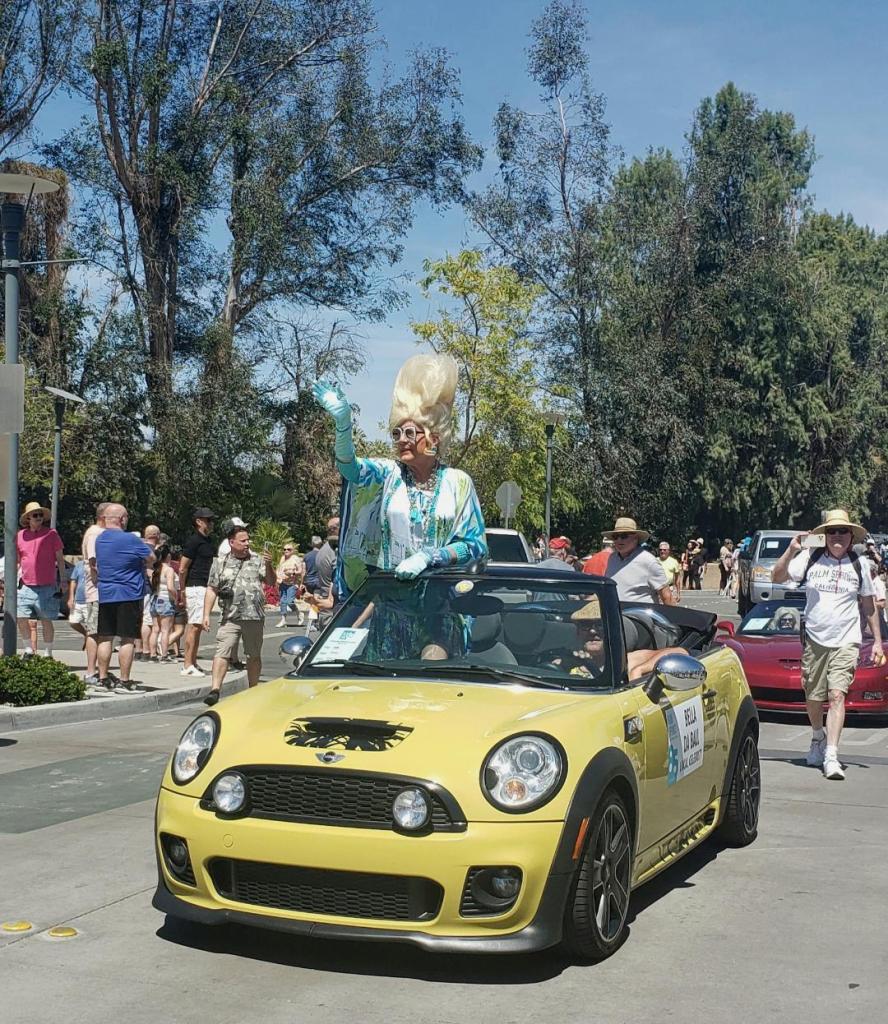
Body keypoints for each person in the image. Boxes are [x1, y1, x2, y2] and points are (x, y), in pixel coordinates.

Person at [312, 353, 487, 592]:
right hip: (390, 600)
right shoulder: (388, 474)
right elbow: (349, 468)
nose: (401, 440)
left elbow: (475, 546)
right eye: (397, 433)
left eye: (410, 433)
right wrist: (343, 425)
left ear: (433, 439)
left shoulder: (458, 482)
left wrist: (431, 557)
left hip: (441, 600)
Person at [772, 509, 884, 780]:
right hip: (815, 639)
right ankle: (817, 737)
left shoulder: (859, 564)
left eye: (843, 531)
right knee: (813, 696)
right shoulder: (810, 557)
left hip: (847, 640)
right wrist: (791, 549)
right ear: (824, 535)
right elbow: (777, 577)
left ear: (851, 536)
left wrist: (878, 642)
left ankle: (831, 755)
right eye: (832, 531)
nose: (837, 536)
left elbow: (868, 604)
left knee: (836, 695)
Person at [202, 523, 276, 706]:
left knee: (253, 654)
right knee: (222, 651)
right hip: (230, 615)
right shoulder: (220, 562)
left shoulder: (257, 559)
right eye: (242, 541)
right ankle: (215, 689)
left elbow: (270, 581)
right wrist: (206, 614)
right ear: (231, 542)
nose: (247, 543)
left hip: (254, 616)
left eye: (248, 540)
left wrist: (269, 564)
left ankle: (253, 688)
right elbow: (212, 589)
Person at [94, 503, 155, 691]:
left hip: (106, 593)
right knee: (127, 638)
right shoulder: (131, 539)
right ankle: (124, 680)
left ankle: (102, 678)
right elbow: (151, 558)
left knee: (105, 637)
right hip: (129, 593)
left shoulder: (100, 539)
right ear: (122, 519)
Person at [16, 501, 66, 657]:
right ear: (28, 518)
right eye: (35, 515)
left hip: (47, 585)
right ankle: (28, 649)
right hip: (25, 584)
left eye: (40, 515)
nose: (38, 517)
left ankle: (48, 652)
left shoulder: (51, 534)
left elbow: (60, 559)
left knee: (46, 619)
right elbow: (17, 559)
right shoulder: (20, 535)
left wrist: (63, 580)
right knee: (21, 616)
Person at [178, 507, 216, 677]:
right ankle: (187, 664)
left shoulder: (208, 541)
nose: (211, 523)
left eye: (212, 520)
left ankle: (192, 661)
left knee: (198, 626)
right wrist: (182, 589)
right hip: (195, 586)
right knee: (194, 626)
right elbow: (182, 568)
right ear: (199, 522)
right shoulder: (194, 541)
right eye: (208, 520)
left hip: (204, 586)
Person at [603, 517, 675, 605]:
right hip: (614, 612)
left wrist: (673, 614)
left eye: (624, 536)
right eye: (615, 537)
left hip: (639, 613)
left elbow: (667, 596)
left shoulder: (648, 561)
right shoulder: (612, 558)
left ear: (635, 538)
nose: (619, 540)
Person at [80, 503, 109, 683]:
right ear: (103, 516)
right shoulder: (95, 534)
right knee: (94, 631)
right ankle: (91, 672)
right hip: (97, 591)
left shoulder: (99, 533)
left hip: (102, 591)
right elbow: (93, 562)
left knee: (101, 631)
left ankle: (99, 671)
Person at [148, 544, 179, 662]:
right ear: (168, 556)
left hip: (155, 598)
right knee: (165, 630)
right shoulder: (169, 570)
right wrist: (176, 597)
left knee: (155, 629)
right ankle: (164, 655)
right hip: (165, 599)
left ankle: (152, 654)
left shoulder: (156, 569)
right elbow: (170, 587)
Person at [276, 543, 304, 628]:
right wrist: (278, 577)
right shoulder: (282, 558)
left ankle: (299, 613)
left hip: (292, 583)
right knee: (282, 602)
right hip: (283, 583)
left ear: (292, 551)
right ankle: (283, 620)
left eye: (288, 549)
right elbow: (279, 569)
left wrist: (292, 573)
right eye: (284, 549)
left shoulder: (295, 559)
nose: (286, 551)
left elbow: (300, 571)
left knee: (289, 601)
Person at [67, 559, 89, 647]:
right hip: (78, 599)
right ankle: (85, 634)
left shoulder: (97, 563)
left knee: (90, 625)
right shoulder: (79, 564)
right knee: (73, 622)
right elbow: (73, 581)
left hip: (90, 600)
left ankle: (89, 646)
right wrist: (71, 597)